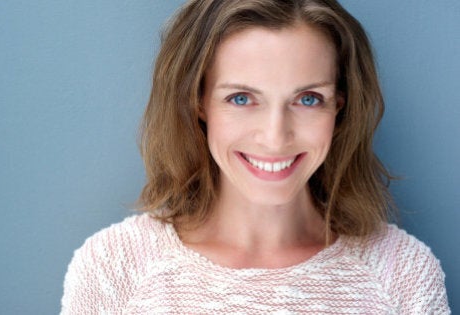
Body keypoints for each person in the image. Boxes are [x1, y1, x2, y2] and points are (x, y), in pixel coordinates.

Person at [61, 0, 450, 313]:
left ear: (340, 107)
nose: (275, 136)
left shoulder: (401, 273)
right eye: (242, 98)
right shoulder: (114, 268)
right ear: (198, 103)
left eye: (308, 99)